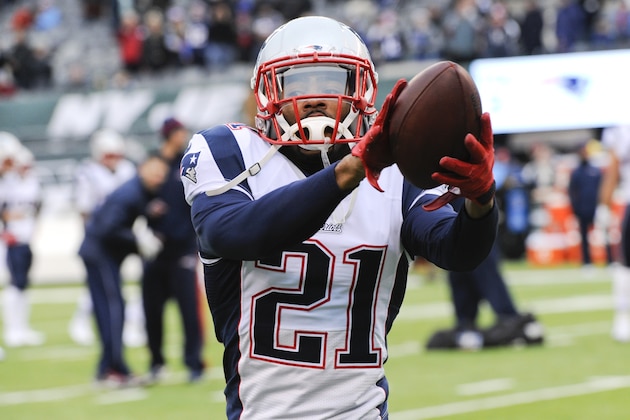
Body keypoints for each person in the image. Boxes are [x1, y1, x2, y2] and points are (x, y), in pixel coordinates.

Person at [180, 16, 498, 419]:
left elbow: (458, 250)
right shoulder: (229, 152)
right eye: (297, 84)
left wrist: (481, 199)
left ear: (360, 90)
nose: (314, 98)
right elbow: (233, 233)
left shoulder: (397, 174)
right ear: (267, 91)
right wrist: (351, 170)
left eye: (330, 83)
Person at [79, 155, 168, 387]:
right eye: (155, 170)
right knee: (113, 309)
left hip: (102, 255)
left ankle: (109, 366)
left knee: (112, 308)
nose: (159, 176)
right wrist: (138, 241)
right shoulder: (130, 193)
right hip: (100, 255)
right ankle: (113, 367)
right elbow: (108, 228)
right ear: (142, 168)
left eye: (162, 172)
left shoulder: (141, 191)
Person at [425, 199, 544, 351]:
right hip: (452, 200)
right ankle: (466, 322)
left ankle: (508, 317)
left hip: (469, 195)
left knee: (481, 257)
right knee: (457, 260)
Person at [141, 117, 205, 384]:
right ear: (170, 134)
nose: (184, 135)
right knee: (152, 311)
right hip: (155, 249)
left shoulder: (187, 162)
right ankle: (156, 362)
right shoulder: (152, 162)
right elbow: (140, 197)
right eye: (180, 131)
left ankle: (194, 363)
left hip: (183, 249)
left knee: (189, 311)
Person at [68, 128, 141, 347]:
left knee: (130, 282)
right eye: (109, 155)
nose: (114, 160)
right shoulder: (87, 173)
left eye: (117, 154)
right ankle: (82, 322)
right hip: (101, 237)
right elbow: (85, 210)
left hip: (124, 235)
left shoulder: (127, 169)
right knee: (103, 286)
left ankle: (132, 324)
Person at [1, 145, 45, 347]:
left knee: (23, 285)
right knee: (14, 284)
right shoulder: (7, 183)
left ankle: (21, 328)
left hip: (26, 238)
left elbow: (37, 208)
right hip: (10, 239)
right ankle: (12, 330)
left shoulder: (33, 183)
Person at [597, 126, 630, 342]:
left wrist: (604, 205)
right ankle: (624, 318)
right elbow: (614, 167)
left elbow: (613, 168)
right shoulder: (620, 127)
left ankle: (624, 318)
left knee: (626, 264)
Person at [568, 141, 603, 270]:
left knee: (604, 235)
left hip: (596, 207)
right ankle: (587, 262)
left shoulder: (595, 170)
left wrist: (603, 205)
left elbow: (602, 188)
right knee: (584, 237)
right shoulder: (576, 172)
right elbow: (572, 192)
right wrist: (575, 208)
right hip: (582, 209)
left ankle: (610, 260)